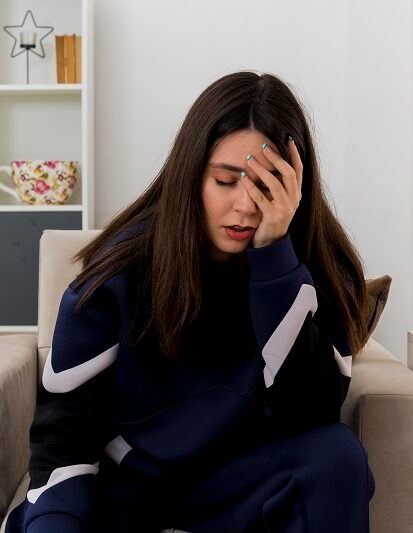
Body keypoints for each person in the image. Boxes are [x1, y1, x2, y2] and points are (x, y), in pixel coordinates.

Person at [6, 71, 375, 533]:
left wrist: (275, 261)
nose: (245, 205)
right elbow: (63, 442)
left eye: (266, 185)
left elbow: (314, 411)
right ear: (191, 175)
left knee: (337, 456)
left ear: (296, 184)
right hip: (130, 489)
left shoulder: (316, 263)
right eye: (226, 181)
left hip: (240, 480)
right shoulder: (119, 273)